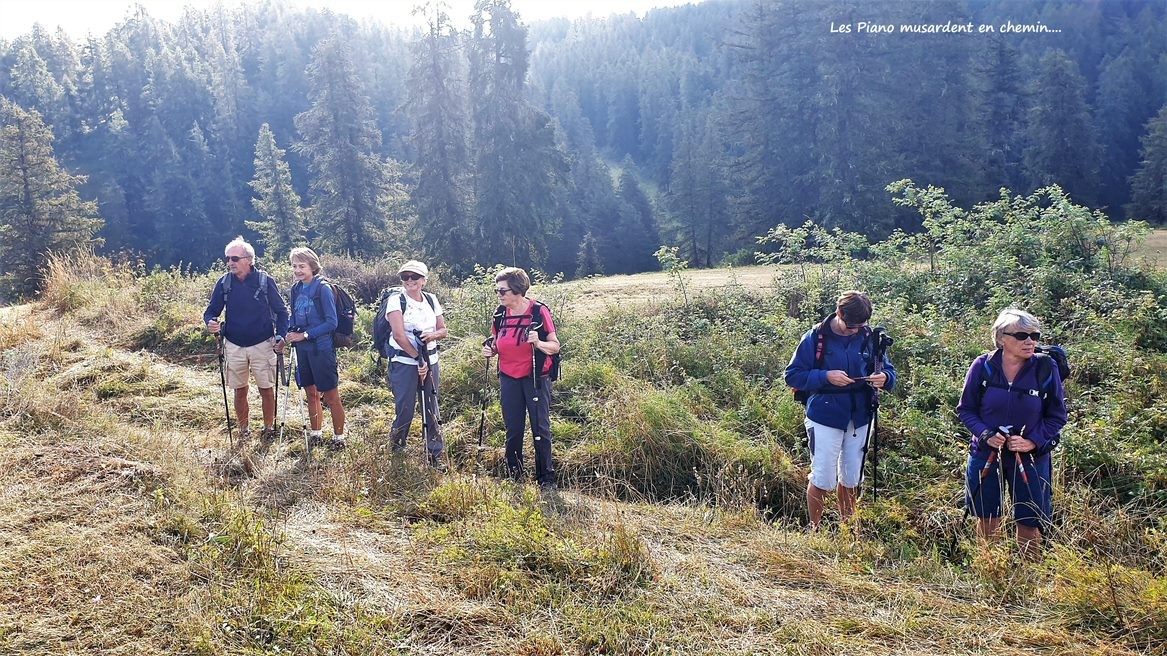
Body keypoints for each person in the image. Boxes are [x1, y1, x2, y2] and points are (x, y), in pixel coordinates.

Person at [957, 308, 1066, 558]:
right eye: (1021, 335)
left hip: (1030, 458)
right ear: (1001, 337)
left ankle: (1028, 576)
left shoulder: (1045, 368)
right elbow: (966, 409)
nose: (1030, 341)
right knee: (986, 516)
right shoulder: (982, 366)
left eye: (1034, 335)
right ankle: (991, 569)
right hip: (986, 452)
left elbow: (1058, 416)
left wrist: (1032, 441)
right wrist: (985, 434)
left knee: (1029, 519)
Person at [784, 290, 896, 530]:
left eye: (861, 326)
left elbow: (891, 373)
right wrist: (826, 376)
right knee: (823, 478)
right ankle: (815, 529)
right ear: (839, 313)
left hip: (862, 416)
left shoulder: (871, 338)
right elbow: (792, 375)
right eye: (851, 325)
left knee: (852, 477)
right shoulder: (815, 337)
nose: (855, 330)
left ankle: (848, 530)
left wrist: (884, 378)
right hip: (824, 416)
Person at [202, 236, 289, 444]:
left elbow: (282, 312)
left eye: (234, 258)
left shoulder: (265, 281)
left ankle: (269, 429)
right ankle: (244, 430)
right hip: (233, 344)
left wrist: (281, 336)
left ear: (249, 259)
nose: (230, 262)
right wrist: (211, 322)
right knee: (239, 390)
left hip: (263, 343)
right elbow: (211, 311)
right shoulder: (224, 283)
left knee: (266, 389)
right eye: (227, 259)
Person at [480, 267, 560, 489]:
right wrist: (490, 350)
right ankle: (514, 474)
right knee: (513, 428)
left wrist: (538, 343)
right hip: (508, 376)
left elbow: (554, 346)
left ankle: (546, 478)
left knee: (539, 428)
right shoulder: (500, 313)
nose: (499, 294)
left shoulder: (538, 312)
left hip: (535, 376)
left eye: (503, 290)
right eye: (498, 290)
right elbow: (497, 342)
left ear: (517, 290)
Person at [385, 260, 448, 466]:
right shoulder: (396, 301)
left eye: (414, 277)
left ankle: (435, 454)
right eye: (405, 277)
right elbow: (399, 335)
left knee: (431, 405)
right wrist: (416, 358)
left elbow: (443, 330)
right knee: (405, 407)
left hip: (431, 360)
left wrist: (431, 336)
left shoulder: (431, 299)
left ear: (424, 280)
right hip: (404, 362)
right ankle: (397, 447)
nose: (409, 281)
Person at [284, 247, 347, 450]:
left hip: (322, 349)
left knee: (331, 395)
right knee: (310, 393)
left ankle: (339, 438)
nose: (298, 270)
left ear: (312, 266)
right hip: (303, 350)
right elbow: (294, 315)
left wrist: (305, 335)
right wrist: (289, 331)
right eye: (294, 266)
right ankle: (316, 434)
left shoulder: (323, 289)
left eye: (302, 266)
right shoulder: (295, 289)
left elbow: (331, 322)